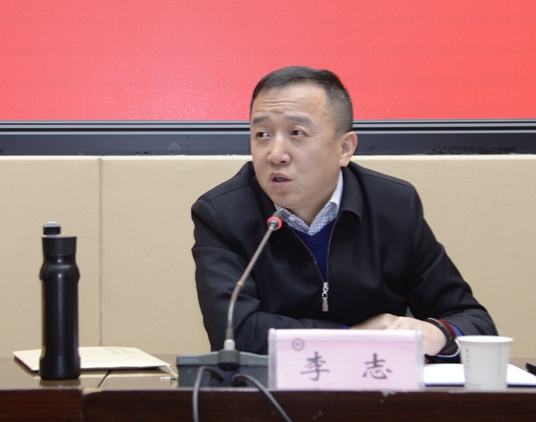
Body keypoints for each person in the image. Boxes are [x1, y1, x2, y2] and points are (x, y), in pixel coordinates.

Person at [191, 66, 497, 359]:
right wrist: (354, 337)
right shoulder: (223, 214)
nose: (275, 154)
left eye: (296, 132)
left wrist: (438, 334)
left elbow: (473, 322)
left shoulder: (393, 205)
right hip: (272, 391)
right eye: (262, 134)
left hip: (377, 389)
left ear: (345, 148)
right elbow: (235, 333)